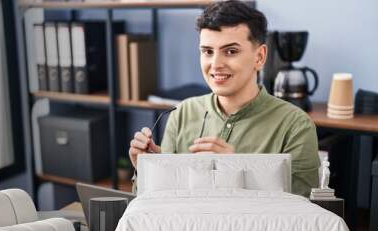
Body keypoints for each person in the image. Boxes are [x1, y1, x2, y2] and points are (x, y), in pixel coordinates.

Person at [128, 0, 320, 197]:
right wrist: (146, 172)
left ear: (260, 57)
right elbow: (158, 204)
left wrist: (234, 172)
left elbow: (302, 213)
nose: (216, 64)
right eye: (207, 52)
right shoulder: (182, 113)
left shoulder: (296, 126)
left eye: (231, 51)